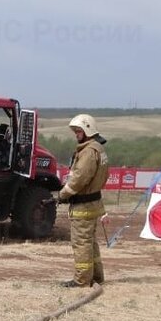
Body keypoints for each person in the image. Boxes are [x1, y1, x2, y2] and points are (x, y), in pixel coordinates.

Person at [57, 113, 109, 287]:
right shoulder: (98, 149)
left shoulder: (88, 152)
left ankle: (81, 280)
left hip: (83, 206)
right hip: (94, 203)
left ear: (87, 130)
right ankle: (97, 277)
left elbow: (79, 178)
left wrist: (63, 194)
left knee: (81, 243)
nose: (76, 134)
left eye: (78, 131)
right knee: (90, 243)